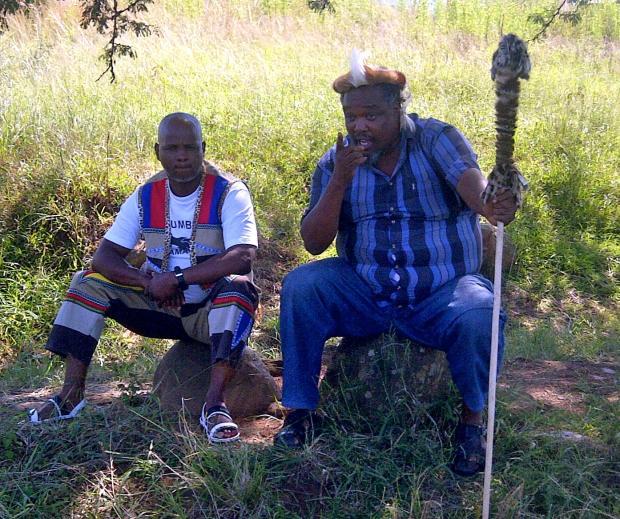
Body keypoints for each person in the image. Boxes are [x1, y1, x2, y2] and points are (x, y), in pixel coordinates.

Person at [274, 52, 518, 476]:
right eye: (352, 116)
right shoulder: (335, 162)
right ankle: (300, 412)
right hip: (367, 292)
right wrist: (339, 182)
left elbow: (473, 186)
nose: (360, 126)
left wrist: (492, 202)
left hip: (440, 292)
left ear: (398, 108)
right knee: (302, 285)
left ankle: (472, 426)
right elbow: (314, 242)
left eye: (372, 114)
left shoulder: (435, 139)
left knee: (482, 312)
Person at [29, 113, 259, 444]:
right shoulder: (146, 195)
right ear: (157, 151)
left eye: (190, 147)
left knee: (240, 287)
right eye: (172, 148)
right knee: (86, 282)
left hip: (211, 313)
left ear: (203, 148)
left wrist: (177, 279)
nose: (182, 156)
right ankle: (71, 396)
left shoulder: (229, 192)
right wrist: (148, 282)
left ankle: (214, 405)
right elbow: (104, 256)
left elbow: (243, 256)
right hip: (158, 307)